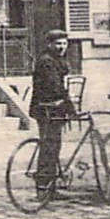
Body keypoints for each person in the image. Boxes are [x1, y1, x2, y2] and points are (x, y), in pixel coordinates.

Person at [29, 29, 75, 191]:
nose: (61, 47)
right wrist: (69, 104)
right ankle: (44, 186)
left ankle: (50, 185)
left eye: (64, 43)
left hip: (54, 108)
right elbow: (54, 87)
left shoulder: (57, 59)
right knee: (49, 146)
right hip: (46, 109)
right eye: (58, 44)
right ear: (50, 44)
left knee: (53, 145)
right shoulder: (47, 61)